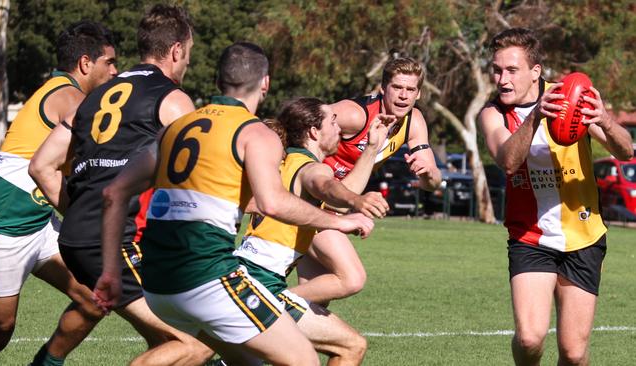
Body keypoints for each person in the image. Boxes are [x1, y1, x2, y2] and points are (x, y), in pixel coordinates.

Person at [93, 42, 375, 366]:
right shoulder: (254, 133)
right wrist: (340, 221)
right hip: (205, 277)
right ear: (265, 82)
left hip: (156, 283)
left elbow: (113, 193)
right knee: (305, 361)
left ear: (217, 81)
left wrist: (112, 272)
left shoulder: (175, 128)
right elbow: (273, 203)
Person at [29, 5, 213, 365]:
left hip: (77, 237)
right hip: (116, 242)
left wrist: (81, 211)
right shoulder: (173, 101)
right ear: (177, 50)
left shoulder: (93, 97)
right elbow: (195, 183)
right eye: (187, 54)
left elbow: (41, 166)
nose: (187, 63)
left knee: (164, 340)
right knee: (197, 343)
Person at [478, 28, 633, 366]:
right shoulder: (492, 114)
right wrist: (534, 117)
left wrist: (605, 120)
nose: (501, 79)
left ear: (535, 72)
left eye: (511, 70)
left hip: (584, 235)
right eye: (496, 69)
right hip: (529, 237)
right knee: (531, 338)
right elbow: (507, 160)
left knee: (574, 354)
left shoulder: (570, 99)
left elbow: (624, 151)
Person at [0, 20, 117, 365]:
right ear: (86, 63)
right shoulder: (70, 96)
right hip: (5, 222)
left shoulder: (73, 95)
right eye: (110, 62)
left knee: (94, 299)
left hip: (39, 222)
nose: (116, 71)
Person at [234, 97, 390, 365]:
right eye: (332, 120)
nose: (339, 127)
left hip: (244, 271)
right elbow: (325, 186)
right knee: (351, 346)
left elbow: (332, 196)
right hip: (262, 281)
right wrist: (356, 201)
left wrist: (372, 147)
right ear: (314, 132)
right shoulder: (312, 167)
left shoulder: (284, 161)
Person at [295, 57, 442, 305]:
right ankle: (273, 300)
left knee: (314, 303)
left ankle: (277, 314)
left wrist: (428, 173)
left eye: (410, 90)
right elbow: (299, 122)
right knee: (351, 278)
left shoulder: (413, 122)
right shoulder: (355, 115)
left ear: (418, 94)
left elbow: (433, 183)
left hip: (335, 206)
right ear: (383, 88)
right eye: (397, 88)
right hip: (307, 201)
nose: (403, 96)